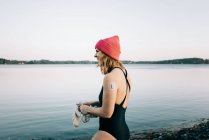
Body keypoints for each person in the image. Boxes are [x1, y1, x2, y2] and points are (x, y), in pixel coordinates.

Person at [79, 35, 131, 140]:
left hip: (109, 133)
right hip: (123, 131)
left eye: (97, 51)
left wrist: (86, 109)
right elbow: (116, 103)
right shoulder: (125, 74)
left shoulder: (110, 77)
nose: (95, 55)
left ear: (106, 53)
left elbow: (107, 113)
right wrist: (92, 103)